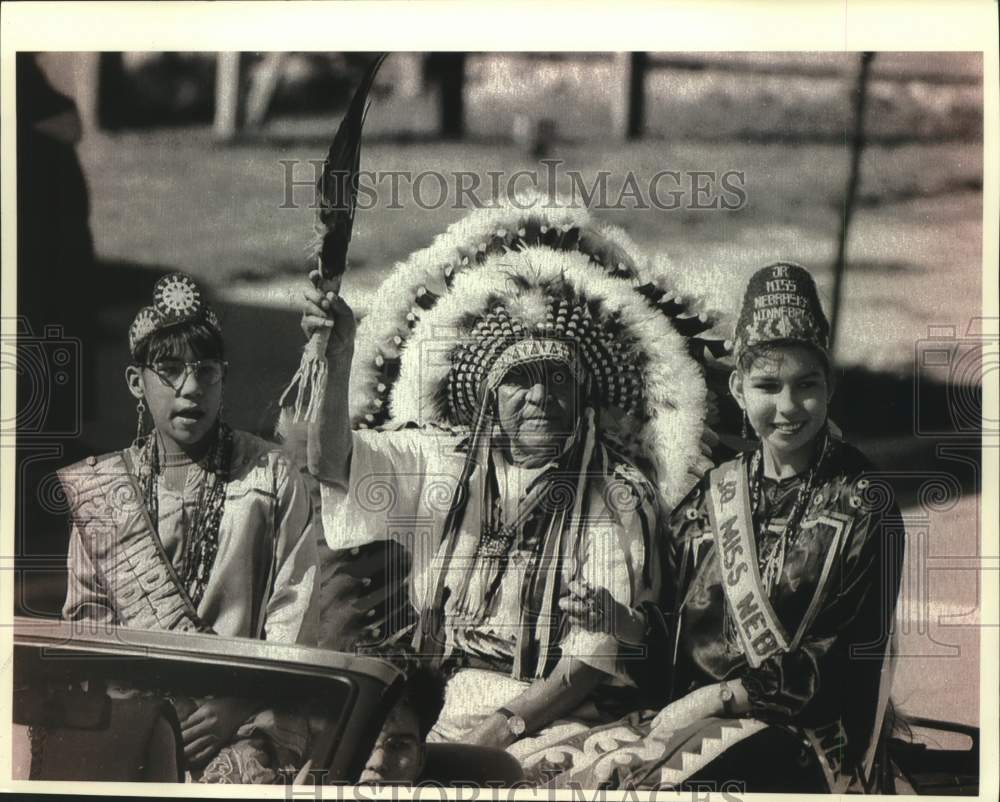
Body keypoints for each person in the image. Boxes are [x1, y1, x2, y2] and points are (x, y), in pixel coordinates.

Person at [295, 200, 718, 772]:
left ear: (583, 395)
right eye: (520, 379)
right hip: (440, 707)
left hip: (556, 720)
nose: (540, 398)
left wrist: (504, 727)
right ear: (490, 393)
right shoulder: (446, 459)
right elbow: (332, 462)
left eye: (557, 380)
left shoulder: (617, 495)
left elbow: (589, 663)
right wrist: (338, 353)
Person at [553, 262, 905, 793]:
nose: (787, 407)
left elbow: (837, 665)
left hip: (806, 738)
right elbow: (678, 647)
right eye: (768, 385)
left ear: (830, 385)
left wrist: (718, 698)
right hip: (692, 721)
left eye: (806, 385)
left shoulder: (862, 502)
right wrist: (625, 624)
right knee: (564, 769)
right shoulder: (705, 503)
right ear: (739, 389)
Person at [59, 272, 320, 778]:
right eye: (170, 370)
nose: (191, 388)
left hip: (253, 716)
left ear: (224, 378)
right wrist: (149, 711)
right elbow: (88, 625)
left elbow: (296, 609)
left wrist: (237, 703)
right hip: (135, 715)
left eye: (207, 371)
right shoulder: (105, 493)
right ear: (137, 382)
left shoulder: (270, 474)